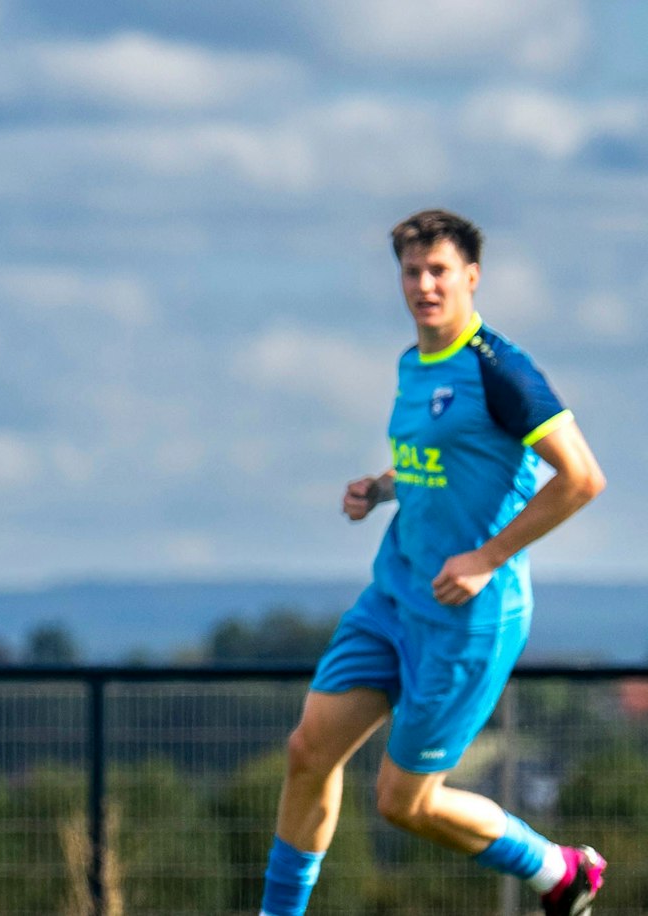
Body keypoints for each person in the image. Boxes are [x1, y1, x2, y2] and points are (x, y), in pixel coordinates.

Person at [259, 209, 607, 916]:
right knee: (306, 752)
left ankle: (558, 868)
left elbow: (580, 478)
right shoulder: (411, 364)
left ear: (470, 278)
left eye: (438, 270)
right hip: (393, 597)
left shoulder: (501, 371)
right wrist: (381, 488)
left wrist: (486, 556)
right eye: (412, 271)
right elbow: (441, 461)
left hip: (466, 617)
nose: (424, 284)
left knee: (402, 802)